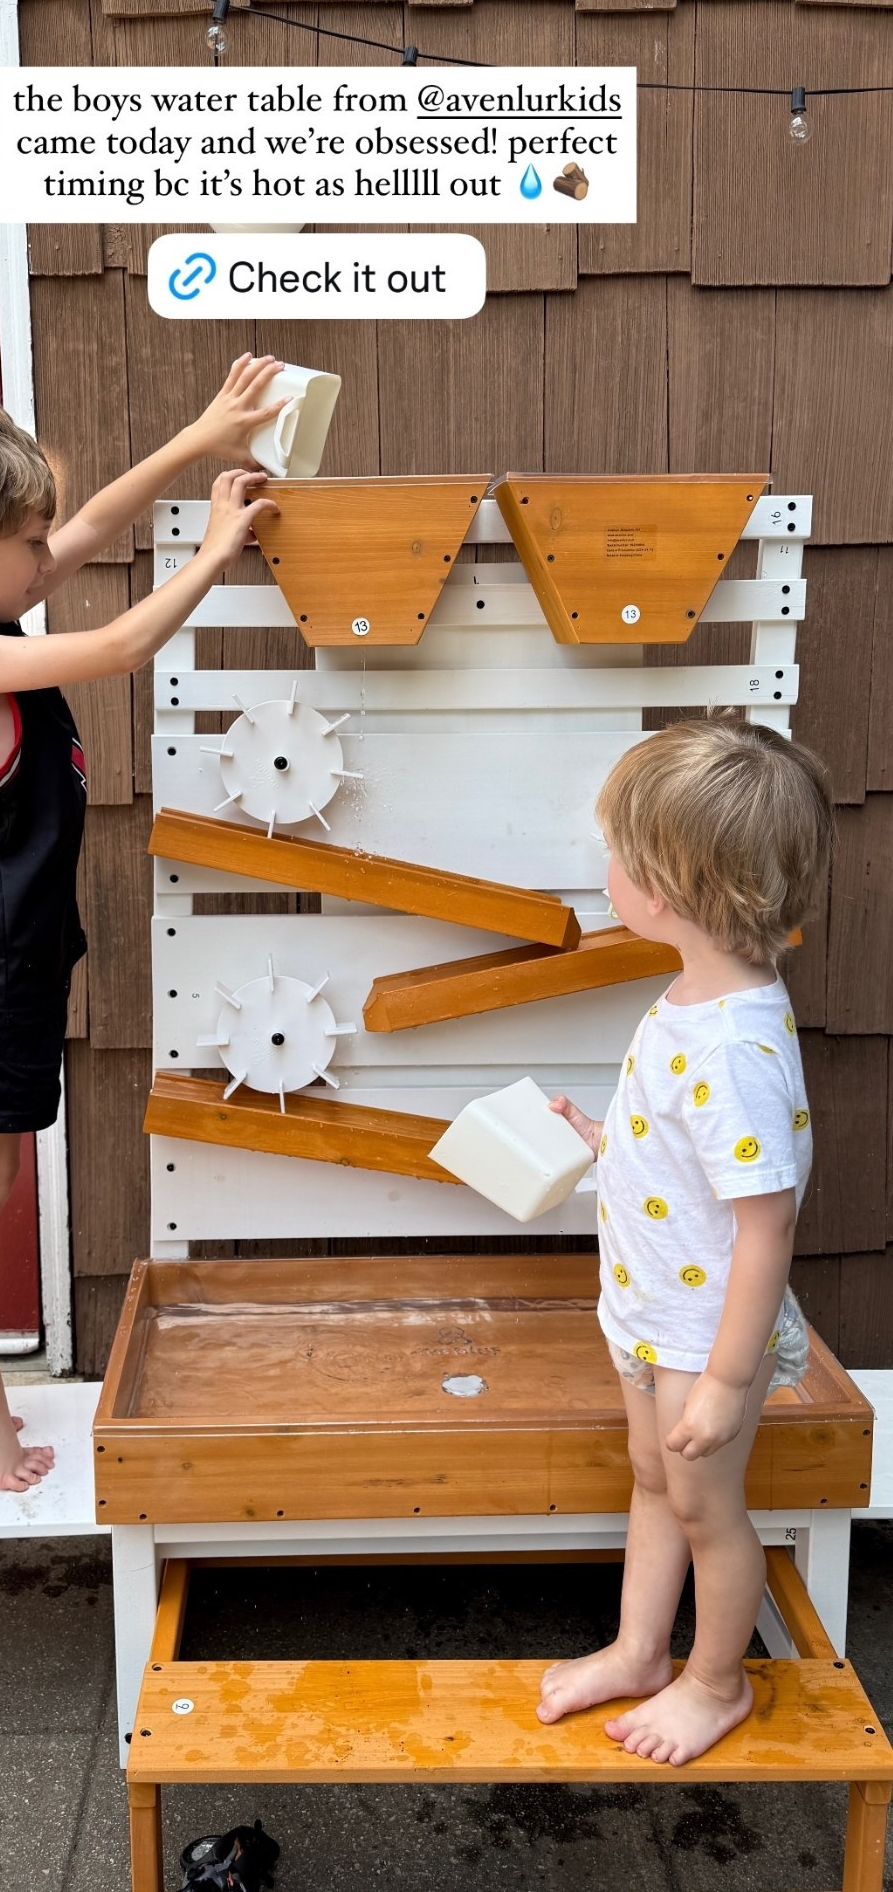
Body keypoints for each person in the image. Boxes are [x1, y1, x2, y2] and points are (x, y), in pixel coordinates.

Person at [0, 355, 287, 1491]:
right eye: (28, 544)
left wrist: (199, 436)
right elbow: (125, 645)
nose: (51, 558)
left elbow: (86, 522)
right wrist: (213, 557)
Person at [538, 715, 833, 1765]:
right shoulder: (693, 1000)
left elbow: (767, 1224)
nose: (604, 868)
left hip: (708, 1331)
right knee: (652, 1476)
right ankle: (636, 1648)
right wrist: (606, 1144)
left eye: (615, 851)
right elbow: (695, 1157)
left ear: (663, 886)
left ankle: (715, 1682)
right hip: (652, 1305)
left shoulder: (739, 1041)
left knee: (709, 1505)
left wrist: (724, 1376)